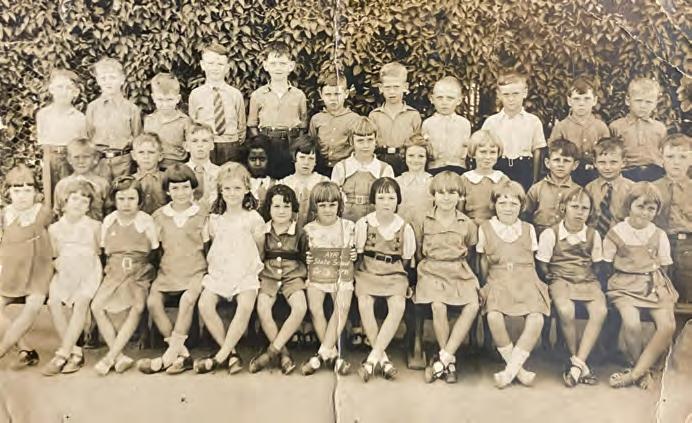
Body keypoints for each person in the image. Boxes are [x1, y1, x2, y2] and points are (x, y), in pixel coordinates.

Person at [603, 182, 677, 389]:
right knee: (632, 324)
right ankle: (639, 368)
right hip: (624, 285)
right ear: (629, 205)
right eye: (640, 206)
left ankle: (635, 373)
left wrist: (657, 284)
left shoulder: (659, 234)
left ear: (657, 211)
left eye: (651, 209)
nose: (645, 213)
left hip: (653, 283)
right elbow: (606, 264)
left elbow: (665, 265)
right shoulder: (617, 232)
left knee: (667, 325)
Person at [477, 181, 550, 388]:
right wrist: (485, 285)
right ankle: (518, 371)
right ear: (494, 205)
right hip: (498, 278)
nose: (508, 208)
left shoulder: (528, 229)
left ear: (521, 206)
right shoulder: (486, 228)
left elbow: (532, 260)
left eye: (513, 204)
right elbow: (483, 262)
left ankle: (509, 372)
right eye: (502, 203)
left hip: (525, 277)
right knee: (493, 316)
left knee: (536, 318)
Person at [193, 163, 264, 374]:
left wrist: (250, 267)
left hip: (246, 272)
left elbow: (260, 248)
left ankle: (219, 357)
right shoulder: (215, 220)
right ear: (220, 191)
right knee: (205, 304)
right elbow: (212, 247)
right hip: (221, 273)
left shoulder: (253, 218)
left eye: (237, 188)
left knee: (245, 305)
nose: (232, 193)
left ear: (247, 189)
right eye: (227, 189)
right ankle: (230, 353)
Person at [137, 164, 207, 375]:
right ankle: (181, 354)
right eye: (175, 188)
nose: (181, 193)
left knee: (187, 300)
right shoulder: (159, 216)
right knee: (153, 302)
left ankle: (167, 358)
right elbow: (154, 249)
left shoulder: (202, 214)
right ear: (167, 191)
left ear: (192, 188)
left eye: (185, 187)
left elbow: (208, 247)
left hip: (196, 271)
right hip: (168, 271)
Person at [536, 187, 607, 387]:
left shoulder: (593, 235)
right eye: (574, 206)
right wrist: (553, 278)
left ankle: (576, 365)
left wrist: (588, 279)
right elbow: (543, 264)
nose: (579, 212)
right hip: (560, 279)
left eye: (584, 208)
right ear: (563, 208)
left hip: (587, 279)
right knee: (566, 310)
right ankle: (578, 361)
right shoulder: (551, 233)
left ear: (590, 211)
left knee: (600, 311)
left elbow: (597, 264)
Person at [414, 171, 480, 384]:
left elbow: (470, 253)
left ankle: (443, 358)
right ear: (433, 195)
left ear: (460, 196)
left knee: (473, 305)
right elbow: (418, 251)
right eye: (441, 193)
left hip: (459, 271)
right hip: (431, 270)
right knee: (438, 305)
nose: (446, 197)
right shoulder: (423, 220)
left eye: (452, 193)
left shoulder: (467, 223)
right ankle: (449, 363)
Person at [90, 176, 158, 375]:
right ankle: (118, 356)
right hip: (114, 271)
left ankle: (109, 358)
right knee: (96, 306)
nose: (126, 204)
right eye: (121, 199)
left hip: (139, 271)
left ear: (139, 200)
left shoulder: (146, 221)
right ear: (114, 200)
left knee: (138, 306)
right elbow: (105, 251)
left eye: (131, 199)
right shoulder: (109, 221)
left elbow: (154, 251)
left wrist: (139, 269)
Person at [354, 177, 415, 382]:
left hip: (394, 273)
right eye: (381, 198)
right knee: (365, 302)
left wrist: (396, 272)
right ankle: (383, 359)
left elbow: (406, 259)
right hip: (368, 271)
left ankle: (372, 359)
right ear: (373, 200)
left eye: (391, 198)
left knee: (398, 305)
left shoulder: (404, 227)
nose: (386, 202)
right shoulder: (364, 224)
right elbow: (359, 255)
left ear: (398, 200)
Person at [42, 180, 102, 375]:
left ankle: (62, 354)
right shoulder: (54, 229)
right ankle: (75, 352)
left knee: (82, 302)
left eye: (84, 201)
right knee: (53, 302)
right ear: (64, 202)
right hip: (64, 271)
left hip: (88, 271)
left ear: (89, 206)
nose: (79, 204)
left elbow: (98, 252)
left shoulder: (95, 226)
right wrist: (62, 269)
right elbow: (54, 256)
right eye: (74, 199)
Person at [249, 184, 308, 375]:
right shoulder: (263, 231)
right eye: (276, 206)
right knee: (262, 308)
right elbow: (258, 257)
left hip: (293, 277)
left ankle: (270, 352)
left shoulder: (300, 232)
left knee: (300, 307)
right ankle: (283, 353)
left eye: (286, 206)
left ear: (293, 208)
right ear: (269, 208)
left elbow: (305, 257)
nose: (281, 211)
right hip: (269, 276)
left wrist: (307, 276)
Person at [0, 165, 54, 368]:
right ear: (8, 193)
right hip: (12, 272)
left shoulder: (42, 213)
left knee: (32, 308)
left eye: (27, 190)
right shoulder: (5, 214)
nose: (22, 196)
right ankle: (25, 348)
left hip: (38, 271)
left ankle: (2, 349)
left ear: (36, 193)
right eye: (17, 191)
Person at [300, 182, 357, 376]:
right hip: (318, 275)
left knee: (342, 306)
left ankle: (321, 354)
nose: (328, 209)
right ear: (315, 206)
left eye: (332, 205)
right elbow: (304, 254)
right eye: (322, 205)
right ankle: (332, 354)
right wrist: (307, 257)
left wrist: (354, 254)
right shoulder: (308, 229)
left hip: (341, 275)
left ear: (339, 205)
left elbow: (354, 252)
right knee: (315, 307)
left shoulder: (348, 227)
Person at [248, 41, 308, 179]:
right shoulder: (258, 95)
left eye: (282, 63)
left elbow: (303, 126)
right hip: (267, 143)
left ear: (291, 66)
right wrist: (261, 144)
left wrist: (295, 146)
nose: (278, 68)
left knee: (289, 178)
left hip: (290, 143)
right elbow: (252, 125)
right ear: (266, 65)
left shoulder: (299, 95)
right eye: (273, 64)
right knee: (267, 179)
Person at [481, 70, 546, 191]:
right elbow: (482, 150)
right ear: (499, 95)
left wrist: (535, 180)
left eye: (515, 94)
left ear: (524, 93)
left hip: (524, 170)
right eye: (506, 94)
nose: (511, 99)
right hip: (499, 168)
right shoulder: (491, 122)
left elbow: (537, 152)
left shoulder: (533, 121)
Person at [188, 42, 246, 165]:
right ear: (203, 65)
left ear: (227, 68)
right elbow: (193, 123)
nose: (215, 68)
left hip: (230, 144)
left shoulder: (235, 94)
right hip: (205, 145)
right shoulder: (196, 94)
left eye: (220, 64)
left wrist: (234, 140)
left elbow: (241, 125)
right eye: (210, 63)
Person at [36, 69, 87, 208]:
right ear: (51, 89)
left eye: (68, 88)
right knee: (51, 199)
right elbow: (44, 146)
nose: (63, 92)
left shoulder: (80, 118)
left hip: (71, 161)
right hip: (50, 159)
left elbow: (82, 147)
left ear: (76, 92)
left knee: (70, 197)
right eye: (59, 87)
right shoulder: (43, 115)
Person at [86, 57, 142, 181]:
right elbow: (89, 135)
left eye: (112, 77)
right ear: (98, 81)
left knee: (124, 190)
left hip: (124, 162)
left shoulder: (131, 109)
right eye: (103, 78)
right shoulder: (92, 108)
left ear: (122, 80)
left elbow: (137, 138)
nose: (108, 82)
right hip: (100, 162)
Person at [331, 116, 394, 224]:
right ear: (352, 142)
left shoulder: (384, 169)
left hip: (375, 222)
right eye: (360, 141)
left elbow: (389, 202)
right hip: (347, 222)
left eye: (370, 140)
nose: (366, 145)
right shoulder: (341, 167)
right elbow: (333, 200)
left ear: (376, 141)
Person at [548, 76, 609, 186]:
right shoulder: (561, 127)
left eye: (587, 99)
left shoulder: (601, 127)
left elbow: (607, 155)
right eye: (577, 99)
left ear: (594, 100)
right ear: (569, 101)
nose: (581, 103)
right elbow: (554, 156)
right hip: (569, 177)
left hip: (595, 177)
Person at [654, 133, 692, 302]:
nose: (676, 162)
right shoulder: (652, 188)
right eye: (670, 157)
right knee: (661, 294)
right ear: (661, 159)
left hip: (688, 245)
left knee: (687, 293)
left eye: (682, 157)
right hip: (658, 245)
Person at [368, 62, 422, 176]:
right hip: (381, 160)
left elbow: (417, 143)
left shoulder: (413, 115)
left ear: (405, 87)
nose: (392, 92)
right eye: (387, 87)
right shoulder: (374, 116)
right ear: (381, 88)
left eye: (396, 87)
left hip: (406, 161)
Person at [609, 78, 667, 182]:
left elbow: (664, 155)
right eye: (638, 101)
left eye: (648, 102)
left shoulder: (660, 128)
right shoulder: (617, 126)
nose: (643, 106)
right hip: (626, 173)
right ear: (628, 101)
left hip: (655, 173)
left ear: (655, 104)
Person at [523, 138, 580, 235]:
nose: (561, 165)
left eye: (566, 161)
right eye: (556, 160)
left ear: (575, 165)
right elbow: (525, 216)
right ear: (547, 163)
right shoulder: (536, 189)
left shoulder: (579, 192)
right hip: (539, 236)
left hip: (566, 238)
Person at [309, 71, 361, 177]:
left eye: (337, 94)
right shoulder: (316, 119)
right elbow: (311, 144)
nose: (333, 98)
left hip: (346, 169)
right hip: (321, 168)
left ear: (346, 94)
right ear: (321, 94)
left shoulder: (355, 119)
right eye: (328, 94)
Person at [585, 137, 635, 237]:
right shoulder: (589, 189)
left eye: (613, 162)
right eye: (602, 162)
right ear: (595, 163)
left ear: (623, 163)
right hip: (594, 239)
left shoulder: (632, 189)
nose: (607, 167)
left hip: (622, 239)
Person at [422, 76, 471, 175]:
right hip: (434, 169)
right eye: (439, 98)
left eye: (450, 98)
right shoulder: (428, 123)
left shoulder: (464, 123)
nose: (444, 102)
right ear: (432, 99)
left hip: (458, 169)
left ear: (459, 100)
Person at [459, 130, 510, 226]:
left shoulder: (503, 179)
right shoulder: (465, 179)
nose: (488, 157)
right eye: (483, 152)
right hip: (470, 226)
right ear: (473, 153)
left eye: (493, 152)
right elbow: (459, 212)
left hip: (496, 227)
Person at [53, 138, 111, 221]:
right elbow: (57, 212)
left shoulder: (102, 184)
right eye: (76, 157)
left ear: (95, 158)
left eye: (86, 157)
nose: (81, 161)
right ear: (69, 159)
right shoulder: (62, 185)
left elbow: (109, 213)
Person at [143, 73, 191, 170]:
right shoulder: (149, 120)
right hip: (154, 167)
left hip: (178, 167)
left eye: (169, 99)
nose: (165, 104)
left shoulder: (184, 121)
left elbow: (190, 148)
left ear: (178, 99)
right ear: (153, 98)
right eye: (160, 99)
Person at [279, 134, 328, 226]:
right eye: (302, 157)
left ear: (316, 161)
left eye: (311, 159)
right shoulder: (284, 183)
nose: (306, 162)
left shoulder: (323, 182)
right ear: (294, 158)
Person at [395, 133, 433, 226]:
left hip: (426, 231)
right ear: (404, 156)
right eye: (411, 155)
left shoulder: (433, 182)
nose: (416, 160)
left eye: (421, 156)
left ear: (427, 158)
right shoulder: (397, 182)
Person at [184, 123, 219, 210]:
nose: (200, 145)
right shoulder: (180, 172)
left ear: (212, 145)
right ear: (186, 146)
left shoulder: (220, 173)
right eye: (194, 141)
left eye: (205, 141)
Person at [131, 133, 166, 215]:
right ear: (134, 155)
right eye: (141, 152)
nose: (146, 156)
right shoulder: (129, 181)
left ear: (160, 156)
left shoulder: (167, 178)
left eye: (151, 152)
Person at [245, 135, 275, 210]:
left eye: (262, 159)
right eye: (253, 159)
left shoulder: (275, 184)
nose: (258, 163)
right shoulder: (240, 185)